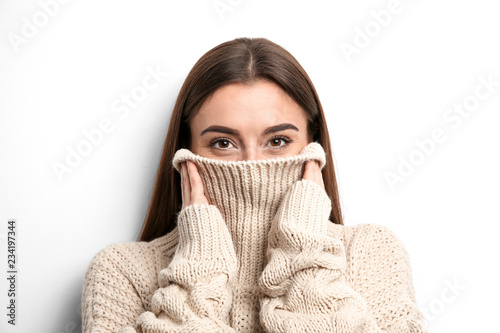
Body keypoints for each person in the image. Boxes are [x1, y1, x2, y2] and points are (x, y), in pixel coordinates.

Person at [81, 37, 427, 333]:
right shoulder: (122, 271)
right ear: (184, 153)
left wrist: (305, 254)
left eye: (277, 141)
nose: (252, 166)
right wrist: (199, 270)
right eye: (222, 143)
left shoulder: (371, 254)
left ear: (313, 146)